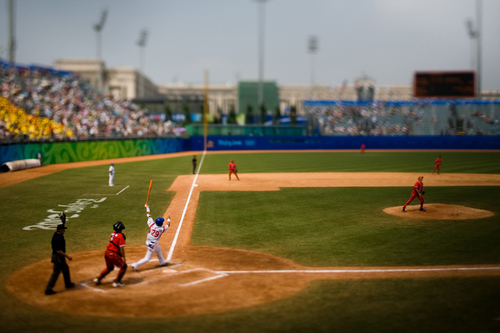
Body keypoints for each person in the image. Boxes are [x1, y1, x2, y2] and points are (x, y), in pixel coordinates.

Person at [131, 204, 171, 271]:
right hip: (152, 245)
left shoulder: (152, 225)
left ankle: (162, 262)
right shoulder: (162, 229)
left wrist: (147, 207)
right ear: (161, 223)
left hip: (148, 242)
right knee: (147, 258)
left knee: (158, 249)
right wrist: (168, 220)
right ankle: (135, 265)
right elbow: (168, 225)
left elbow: (149, 215)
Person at [45, 212, 75, 295]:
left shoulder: (57, 234)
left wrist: (63, 221)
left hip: (58, 257)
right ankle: (48, 289)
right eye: (64, 229)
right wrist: (68, 256)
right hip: (58, 257)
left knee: (65, 269)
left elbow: (61, 227)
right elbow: (58, 251)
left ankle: (68, 284)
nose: (64, 231)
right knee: (56, 273)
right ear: (61, 230)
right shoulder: (58, 238)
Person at [94, 221, 127, 287]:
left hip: (107, 252)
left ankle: (98, 279)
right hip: (113, 253)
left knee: (110, 268)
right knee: (124, 266)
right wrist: (123, 257)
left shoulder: (113, 233)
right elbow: (121, 248)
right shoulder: (120, 236)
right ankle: (117, 282)